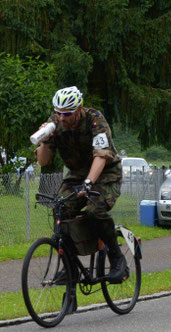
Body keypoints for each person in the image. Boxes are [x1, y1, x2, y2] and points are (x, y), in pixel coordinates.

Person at [34, 86, 127, 283]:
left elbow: (101, 155)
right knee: (60, 209)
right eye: (58, 113)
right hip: (77, 175)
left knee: (95, 210)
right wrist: (44, 140)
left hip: (106, 173)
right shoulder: (55, 124)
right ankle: (70, 267)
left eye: (66, 114)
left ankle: (117, 259)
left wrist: (88, 184)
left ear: (78, 109)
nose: (62, 118)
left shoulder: (94, 119)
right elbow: (43, 161)